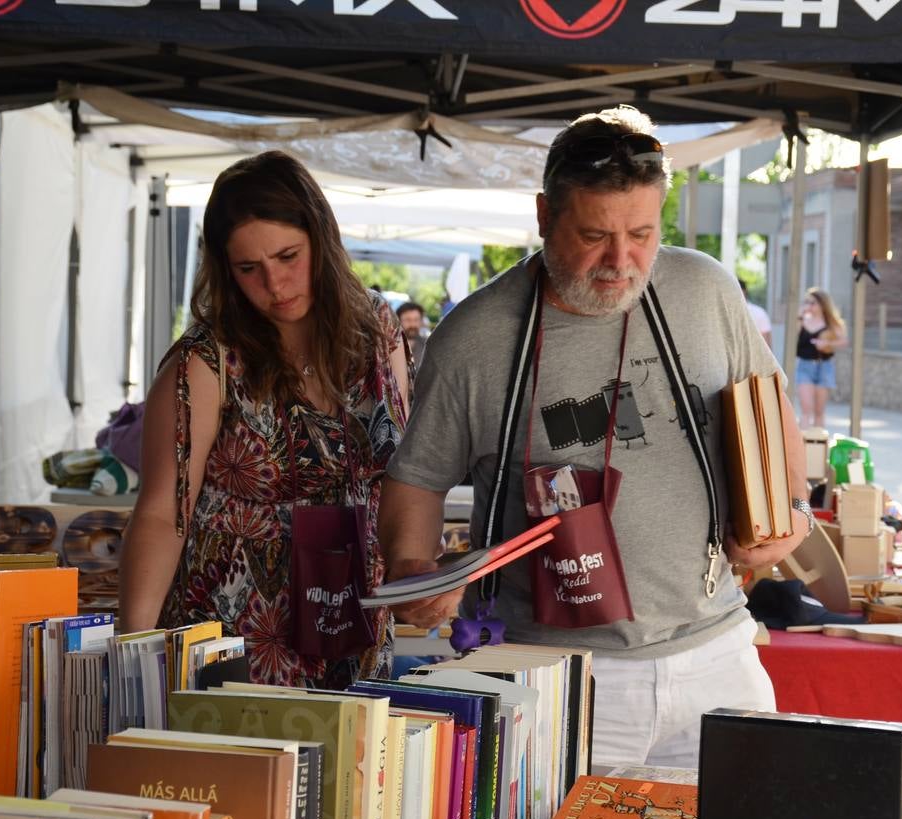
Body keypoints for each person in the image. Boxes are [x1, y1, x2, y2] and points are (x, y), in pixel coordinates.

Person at [378, 106, 811, 769]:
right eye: (593, 235)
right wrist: (413, 572)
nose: (621, 260)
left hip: (716, 656)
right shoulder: (477, 336)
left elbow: (769, 403)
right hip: (552, 672)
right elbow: (419, 477)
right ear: (544, 214)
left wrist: (794, 514)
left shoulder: (703, 289)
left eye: (642, 233)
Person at [119, 151, 411, 688]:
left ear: (321, 237)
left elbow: (405, 473)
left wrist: (415, 570)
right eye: (249, 269)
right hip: (237, 638)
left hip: (351, 617)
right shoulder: (206, 362)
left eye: (288, 256)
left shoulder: (378, 330)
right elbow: (163, 514)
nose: (275, 284)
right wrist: (131, 660)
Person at [794, 287, 847, 428]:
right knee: (806, 409)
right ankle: (803, 444)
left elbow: (843, 341)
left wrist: (827, 343)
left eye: (813, 303)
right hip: (805, 365)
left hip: (824, 366)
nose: (809, 306)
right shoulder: (802, 321)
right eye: (807, 302)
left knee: (819, 411)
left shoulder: (831, 323)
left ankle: (818, 445)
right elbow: (793, 337)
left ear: (822, 304)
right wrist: (800, 316)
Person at [739, 277, 773, 348]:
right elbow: (767, 345)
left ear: (744, 291)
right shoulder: (759, 312)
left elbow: (766, 343)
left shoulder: (759, 312)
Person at [395, 300, 429, 368]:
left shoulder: (428, 346)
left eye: (416, 320)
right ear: (398, 321)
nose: (412, 324)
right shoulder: (390, 347)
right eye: (408, 320)